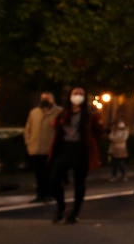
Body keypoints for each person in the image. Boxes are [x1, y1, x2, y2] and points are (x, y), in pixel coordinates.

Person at [48, 87, 104, 224]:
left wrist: (91, 142)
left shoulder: (89, 115)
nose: (77, 96)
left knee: (79, 182)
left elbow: (98, 131)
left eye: (81, 94)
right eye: (75, 93)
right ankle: (60, 207)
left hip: (81, 150)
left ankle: (75, 212)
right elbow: (56, 127)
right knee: (54, 179)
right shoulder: (63, 113)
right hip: (64, 149)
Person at [25, 92, 60, 202]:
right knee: (38, 173)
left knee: (49, 172)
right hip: (36, 148)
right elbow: (28, 129)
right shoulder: (34, 112)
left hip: (50, 148)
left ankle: (50, 193)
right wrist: (29, 142)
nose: (45, 100)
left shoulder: (59, 112)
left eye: (48, 98)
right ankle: (40, 194)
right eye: (43, 98)